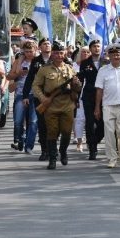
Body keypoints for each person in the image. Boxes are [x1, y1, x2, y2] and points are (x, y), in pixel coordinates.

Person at [32, 41, 82, 169]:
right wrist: (43, 99)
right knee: (52, 132)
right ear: (52, 54)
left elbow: (77, 88)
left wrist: (76, 84)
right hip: (51, 106)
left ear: (64, 54)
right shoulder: (44, 69)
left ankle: (63, 151)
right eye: (56, 53)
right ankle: (52, 158)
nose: (59, 56)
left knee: (66, 132)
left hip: (67, 105)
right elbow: (36, 86)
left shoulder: (70, 68)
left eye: (61, 53)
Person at [94, 44, 120, 168]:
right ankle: (112, 158)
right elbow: (99, 90)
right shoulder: (103, 70)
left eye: (118, 54)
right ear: (109, 56)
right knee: (109, 132)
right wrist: (97, 107)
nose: (116, 56)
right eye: (113, 54)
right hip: (108, 105)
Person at [6, 40, 39, 154]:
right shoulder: (19, 61)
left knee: (33, 121)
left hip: (35, 94)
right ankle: (20, 139)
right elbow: (9, 76)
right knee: (18, 120)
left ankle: (28, 146)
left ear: (35, 50)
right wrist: (19, 73)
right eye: (26, 51)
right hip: (20, 93)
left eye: (31, 51)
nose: (29, 54)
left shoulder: (38, 62)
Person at [23, 38, 53, 161]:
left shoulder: (57, 58)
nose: (47, 46)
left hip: (54, 97)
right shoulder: (36, 61)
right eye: (44, 44)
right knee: (42, 124)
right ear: (40, 47)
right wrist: (25, 95)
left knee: (54, 123)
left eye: (48, 44)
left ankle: (53, 149)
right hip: (39, 97)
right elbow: (30, 78)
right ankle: (44, 150)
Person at [78, 38, 105, 160]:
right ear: (90, 49)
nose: (96, 48)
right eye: (94, 46)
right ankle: (92, 150)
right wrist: (76, 98)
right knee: (89, 123)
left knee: (102, 124)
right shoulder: (85, 63)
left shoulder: (106, 62)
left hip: (104, 96)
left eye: (98, 46)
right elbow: (80, 81)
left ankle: (94, 141)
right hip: (89, 96)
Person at [71, 46, 91, 151]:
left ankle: (91, 141)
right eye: (83, 52)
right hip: (78, 96)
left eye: (88, 52)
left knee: (90, 121)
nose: (85, 54)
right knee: (79, 119)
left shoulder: (93, 65)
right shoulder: (74, 66)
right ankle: (79, 142)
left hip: (91, 95)